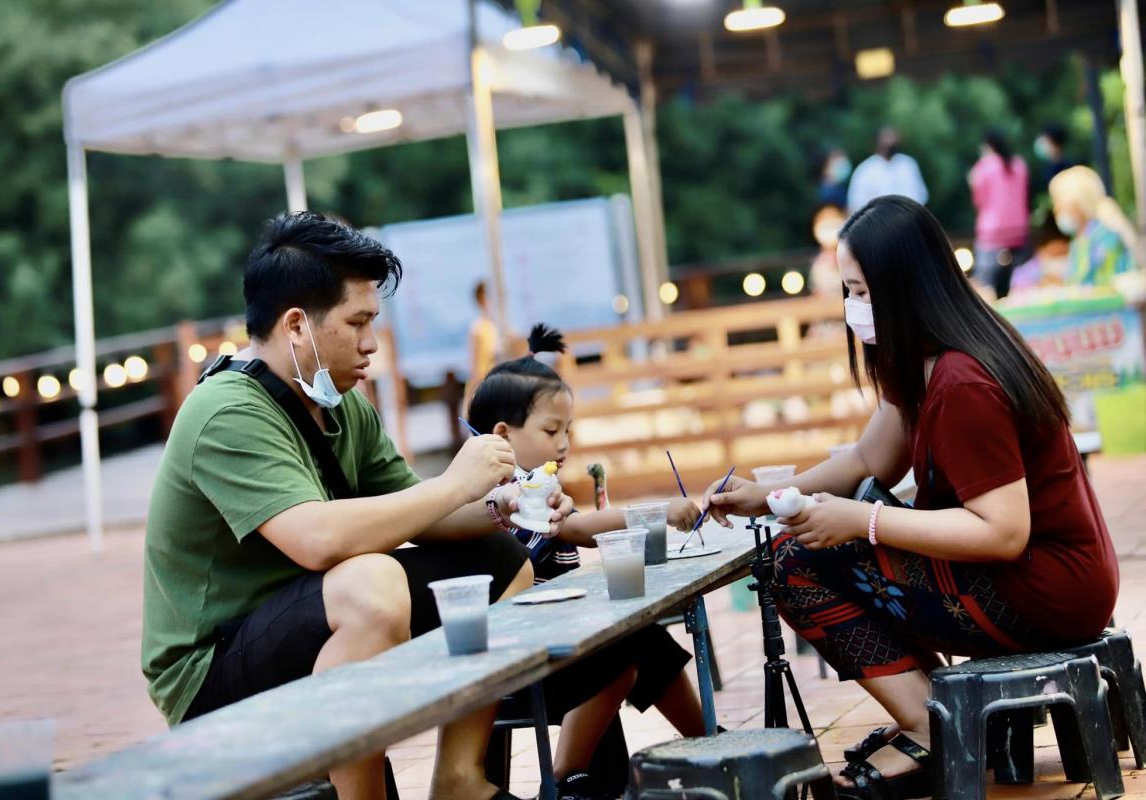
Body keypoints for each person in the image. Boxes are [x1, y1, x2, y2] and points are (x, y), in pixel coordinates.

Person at [142, 212, 575, 800]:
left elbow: (422, 514)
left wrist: (503, 506)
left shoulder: (343, 405)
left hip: (305, 618)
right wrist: (455, 483)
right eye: (358, 322)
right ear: (297, 325)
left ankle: (459, 779)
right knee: (370, 584)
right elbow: (317, 540)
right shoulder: (226, 412)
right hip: (212, 673)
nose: (372, 343)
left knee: (497, 558)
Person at [701, 196, 1119, 800]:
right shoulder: (926, 362)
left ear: (904, 287)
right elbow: (868, 460)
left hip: (1048, 590)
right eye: (848, 292)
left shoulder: (961, 381)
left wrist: (863, 520)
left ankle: (931, 726)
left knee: (794, 564)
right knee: (809, 547)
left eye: (861, 292)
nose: (852, 307)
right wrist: (765, 496)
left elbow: (1004, 531)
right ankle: (943, 713)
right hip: (1037, 576)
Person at [467, 325, 710, 799]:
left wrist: (652, 515)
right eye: (551, 431)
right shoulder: (496, 495)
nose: (563, 444)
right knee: (621, 656)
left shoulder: (540, 486)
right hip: (525, 653)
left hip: (565, 635)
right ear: (503, 435)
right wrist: (657, 511)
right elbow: (579, 530)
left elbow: (577, 528)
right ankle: (565, 776)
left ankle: (708, 742)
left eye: (568, 431)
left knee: (646, 641)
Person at [1049, 165, 1140, 286]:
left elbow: (1105, 284)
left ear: (1078, 202)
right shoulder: (1081, 238)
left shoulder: (1106, 235)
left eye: (1059, 202)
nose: (1056, 209)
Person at [968, 128, 1031, 299]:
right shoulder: (1019, 165)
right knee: (1019, 282)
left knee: (985, 283)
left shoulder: (983, 167)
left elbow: (978, 200)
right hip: (1019, 230)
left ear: (987, 146)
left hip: (992, 232)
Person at [846, 128, 928, 213]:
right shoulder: (865, 170)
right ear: (877, 142)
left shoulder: (908, 164)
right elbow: (856, 205)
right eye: (886, 139)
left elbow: (921, 196)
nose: (890, 142)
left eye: (892, 138)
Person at [1034, 122, 1075, 189]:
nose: (1042, 144)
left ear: (1056, 144)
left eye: (1045, 141)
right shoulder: (1046, 169)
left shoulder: (1069, 170)